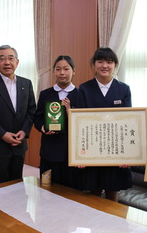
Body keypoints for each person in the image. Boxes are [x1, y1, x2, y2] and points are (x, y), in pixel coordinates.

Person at [77, 47, 132, 202]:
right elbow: (80, 124)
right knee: (93, 192)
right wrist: (80, 156)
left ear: (115, 65)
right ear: (94, 65)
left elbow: (128, 123)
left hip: (115, 150)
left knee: (112, 192)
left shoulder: (123, 89)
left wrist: (127, 155)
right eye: (100, 61)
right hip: (92, 148)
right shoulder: (85, 89)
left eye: (109, 62)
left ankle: (113, 225)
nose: (104, 66)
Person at [0, 45, 36, 185]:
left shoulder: (26, 83)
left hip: (19, 145)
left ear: (17, 62)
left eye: (11, 58)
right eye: (2, 59)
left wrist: (24, 131)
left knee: (16, 185)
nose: (7, 62)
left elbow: (31, 110)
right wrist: (3, 134)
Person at [34, 55, 79, 187]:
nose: (62, 73)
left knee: (71, 191)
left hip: (71, 153)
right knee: (47, 188)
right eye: (58, 69)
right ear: (54, 72)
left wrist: (70, 111)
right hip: (50, 150)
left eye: (66, 69)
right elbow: (37, 117)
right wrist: (42, 127)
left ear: (73, 71)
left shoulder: (80, 94)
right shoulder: (45, 94)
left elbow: (84, 123)